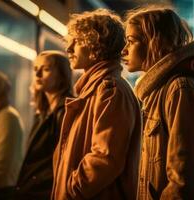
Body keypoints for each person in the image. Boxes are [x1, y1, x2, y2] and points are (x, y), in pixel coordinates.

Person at [122, 5, 194, 199]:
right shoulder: (155, 91)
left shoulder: (181, 89)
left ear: (155, 42)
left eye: (130, 41)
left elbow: (184, 177)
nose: (124, 50)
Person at [52, 8, 142, 200]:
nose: (68, 49)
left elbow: (106, 158)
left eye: (76, 42)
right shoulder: (98, 88)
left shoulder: (110, 90)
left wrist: (71, 189)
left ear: (96, 45)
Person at [13, 50, 73, 199]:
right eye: (35, 69)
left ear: (61, 75)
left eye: (46, 69)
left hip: (47, 191)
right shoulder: (43, 111)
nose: (38, 74)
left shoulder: (66, 110)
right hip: (34, 189)